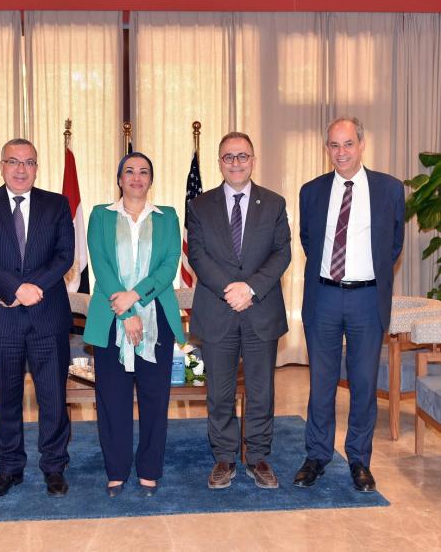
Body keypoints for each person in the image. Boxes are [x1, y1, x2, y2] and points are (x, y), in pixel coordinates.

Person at [294, 117, 404, 492]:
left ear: (361, 143)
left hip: (366, 299)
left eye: (347, 144)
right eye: (333, 146)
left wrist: (363, 277)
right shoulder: (311, 191)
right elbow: (309, 240)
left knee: (362, 384)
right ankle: (317, 456)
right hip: (323, 296)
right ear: (327, 149)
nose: (341, 153)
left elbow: (393, 245)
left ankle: (359, 459)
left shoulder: (389, 189)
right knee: (321, 384)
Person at [0, 138, 74, 498]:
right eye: (13, 161)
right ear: (2, 165)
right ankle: (9, 468)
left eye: (28, 162)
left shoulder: (56, 204)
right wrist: (13, 289)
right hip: (0, 317)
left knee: (54, 398)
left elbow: (64, 256)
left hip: (47, 316)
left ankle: (54, 467)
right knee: (6, 398)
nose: (21, 169)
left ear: (37, 167)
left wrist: (31, 288)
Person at [188, 132, 291, 490]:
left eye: (242, 156)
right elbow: (197, 255)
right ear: (219, 162)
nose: (236, 163)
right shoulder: (200, 206)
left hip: (260, 309)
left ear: (253, 160)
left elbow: (282, 253)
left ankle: (259, 456)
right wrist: (229, 290)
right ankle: (224, 457)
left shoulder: (274, 204)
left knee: (261, 390)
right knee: (219, 391)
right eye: (228, 157)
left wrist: (250, 288)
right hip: (218, 310)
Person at [83, 151, 184, 497]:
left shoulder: (168, 217)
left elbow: (169, 267)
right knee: (113, 399)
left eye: (143, 172)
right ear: (119, 178)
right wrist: (126, 312)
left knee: (155, 399)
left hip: (158, 320)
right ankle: (116, 469)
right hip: (110, 320)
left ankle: (150, 468)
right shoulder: (100, 215)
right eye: (129, 171)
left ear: (151, 180)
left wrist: (135, 296)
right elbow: (101, 266)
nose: (137, 177)